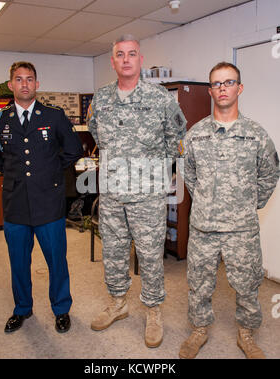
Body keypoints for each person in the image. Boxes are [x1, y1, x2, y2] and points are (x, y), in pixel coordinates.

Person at [87, 35, 186, 348]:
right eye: (120, 54)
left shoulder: (161, 99)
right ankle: (119, 303)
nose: (126, 59)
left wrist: (157, 174)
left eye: (132, 54)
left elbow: (177, 138)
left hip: (147, 196)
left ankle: (153, 311)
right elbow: (96, 135)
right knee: (113, 253)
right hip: (112, 195)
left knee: (150, 255)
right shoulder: (100, 99)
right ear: (113, 62)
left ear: (141, 60)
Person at [179, 62, 279, 359]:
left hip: (241, 228)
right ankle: (199, 330)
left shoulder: (256, 135)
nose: (222, 88)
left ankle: (246, 334)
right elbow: (189, 174)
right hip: (203, 228)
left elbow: (270, 174)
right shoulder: (195, 135)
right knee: (198, 283)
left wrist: (250, 205)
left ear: (239, 88)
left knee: (248, 284)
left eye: (228, 82)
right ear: (210, 91)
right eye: (217, 84)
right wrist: (208, 202)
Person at [0, 61, 83, 333]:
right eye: (19, 79)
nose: (24, 83)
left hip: (48, 203)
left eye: (29, 79)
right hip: (15, 204)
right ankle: (22, 308)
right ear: (11, 84)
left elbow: (74, 150)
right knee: (18, 262)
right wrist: (13, 172)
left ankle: (61, 309)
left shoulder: (54, 116)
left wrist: (49, 170)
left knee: (56, 260)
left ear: (37, 84)